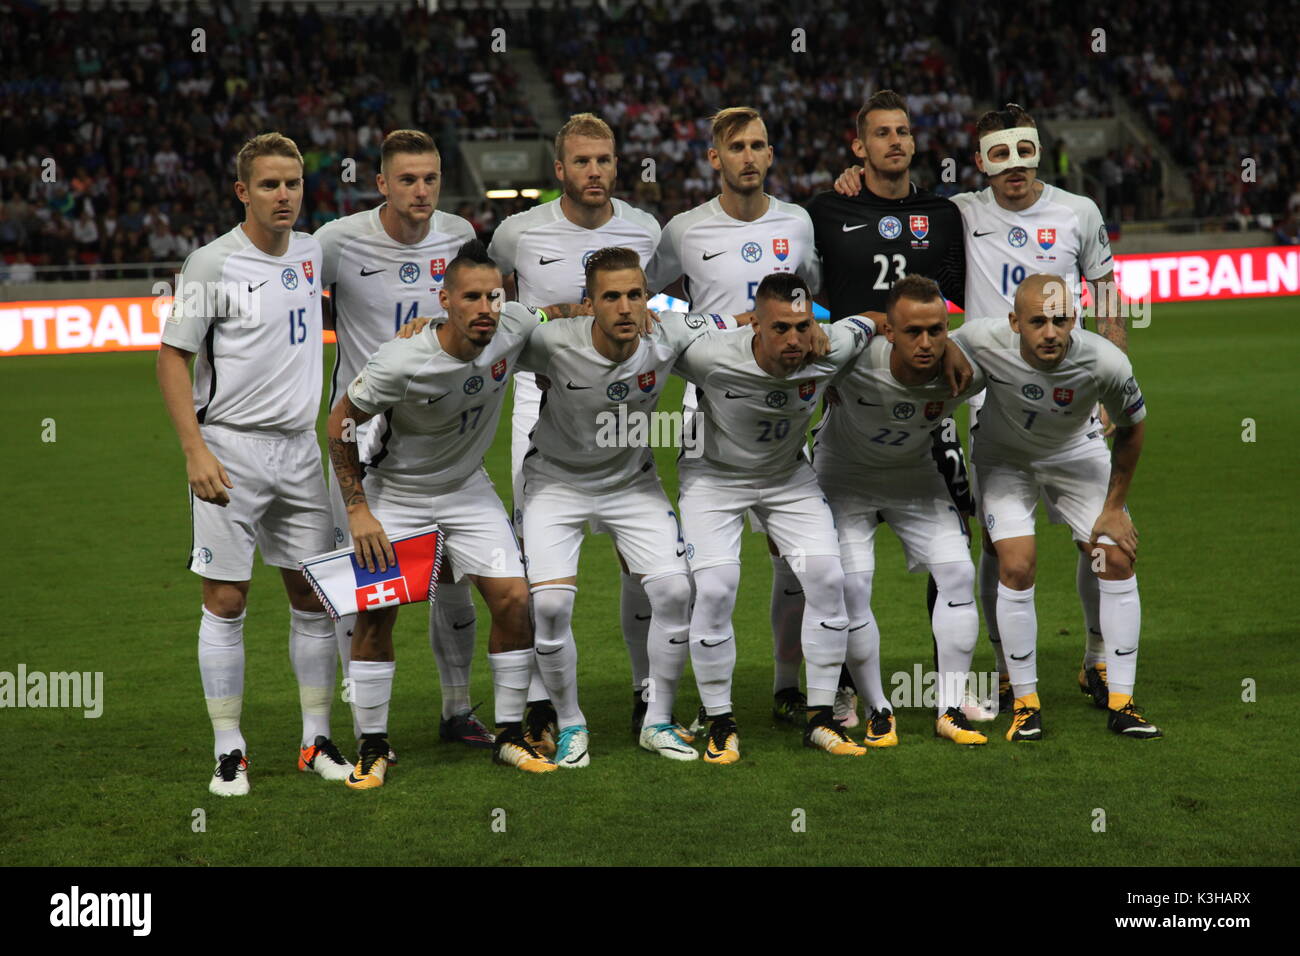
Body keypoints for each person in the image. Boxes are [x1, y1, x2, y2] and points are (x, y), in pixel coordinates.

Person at [324, 240, 574, 786]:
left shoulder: (510, 327)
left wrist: (630, 313)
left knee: (514, 600)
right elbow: (340, 423)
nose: (486, 307)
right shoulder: (402, 360)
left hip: (466, 488)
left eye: (494, 295)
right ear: (445, 301)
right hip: (396, 493)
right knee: (378, 613)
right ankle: (373, 745)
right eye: (471, 297)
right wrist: (359, 507)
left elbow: (560, 311)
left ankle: (509, 734)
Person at [157, 132, 349, 796]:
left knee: (312, 596)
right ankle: (229, 748)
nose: (284, 195)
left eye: (293, 183)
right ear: (243, 191)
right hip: (231, 451)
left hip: (301, 452)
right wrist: (194, 450)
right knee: (227, 598)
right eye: (269, 184)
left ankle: (316, 738)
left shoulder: (312, 251)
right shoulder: (212, 264)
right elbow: (172, 358)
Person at [519, 246, 742, 765]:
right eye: (611, 297)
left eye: (635, 295)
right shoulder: (552, 342)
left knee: (673, 591)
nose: (626, 308)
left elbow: (742, 321)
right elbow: (486, 335)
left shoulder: (668, 333)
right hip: (556, 483)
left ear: (649, 298)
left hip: (631, 484)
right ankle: (571, 723)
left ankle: (658, 720)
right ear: (589, 303)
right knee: (550, 606)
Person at [645, 106, 823, 729]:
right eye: (735, 147)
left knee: (793, 563)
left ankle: (786, 686)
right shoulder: (684, 230)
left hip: (782, 417)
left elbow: (812, 298)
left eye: (758, 145)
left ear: (771, 154)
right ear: (714, 159)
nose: (748, 157)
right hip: (710, 412)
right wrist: (711, 328)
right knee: (710, 578)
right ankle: (707, 702)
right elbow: (648, 297)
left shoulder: (797, 223)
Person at [488, 113, 661, 752]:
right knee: (538, 560)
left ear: (618, 164)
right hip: (540, 405)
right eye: (582, 162)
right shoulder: (517, 232)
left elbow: (654, 307)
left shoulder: (645, 230)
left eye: (605, 161)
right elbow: (501, 305)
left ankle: (647, 692)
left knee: (636, 558)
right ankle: (540, 701)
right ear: (559, 169)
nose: (595, 172)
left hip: (620, 406)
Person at [315, 129, 489, 753]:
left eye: (431, 178)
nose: (421, 191)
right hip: (361, 440)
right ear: (381, 182)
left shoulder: (460, 234)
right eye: (407, 179)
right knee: (364, 585)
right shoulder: (338, 242)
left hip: (440, 437)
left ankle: (458, 707)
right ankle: (364, 719)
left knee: (453, 580)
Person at [809, 88, 978, 728]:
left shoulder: (944, 212)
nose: (895, 142)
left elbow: (971, 291)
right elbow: (802, 294)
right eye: (881, 133)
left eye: (903, 131)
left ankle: (951, 690)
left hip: (926, 398)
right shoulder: (828, 208)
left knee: (953, 546)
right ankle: (852, 688)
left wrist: (955, 343)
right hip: (850, 398)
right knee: (843, 574)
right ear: (859, 146)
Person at [673, 273, 882, 763]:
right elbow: (655, 334)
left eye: (803, 326)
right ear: (755, 327)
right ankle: (720, 721)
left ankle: (820, 717)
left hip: (788, 477)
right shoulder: (711, 355)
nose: (794, 339)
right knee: (719, 586)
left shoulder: (829, 347)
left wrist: (840, 330)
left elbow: (874, 319)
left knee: (829, 579)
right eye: (780, 329)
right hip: (713, 477)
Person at [950, 274, 1160, 741]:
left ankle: (1118, 696)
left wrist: (1115, 507)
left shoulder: (1105, 361)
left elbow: (1134, 426)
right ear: (1014, 322)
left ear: (1075, 319)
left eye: (1061, 320)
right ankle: (1025, 702)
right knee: (1017, 564)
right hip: (1005, 460)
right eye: (1038, 321)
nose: (1050, 332)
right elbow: (936, 350)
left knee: (1114, 556)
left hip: (1076, 454)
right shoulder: (980, 338)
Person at [812, 275, 988, 746]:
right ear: (889, 331)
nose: (926, 343)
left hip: (915, 478)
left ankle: (950, 709)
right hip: (844, 480)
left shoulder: (966, 367)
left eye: (937, 330)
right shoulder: (849, 358)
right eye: (913, 332)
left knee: (956, 571)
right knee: (854, 583)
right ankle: (878, 708)